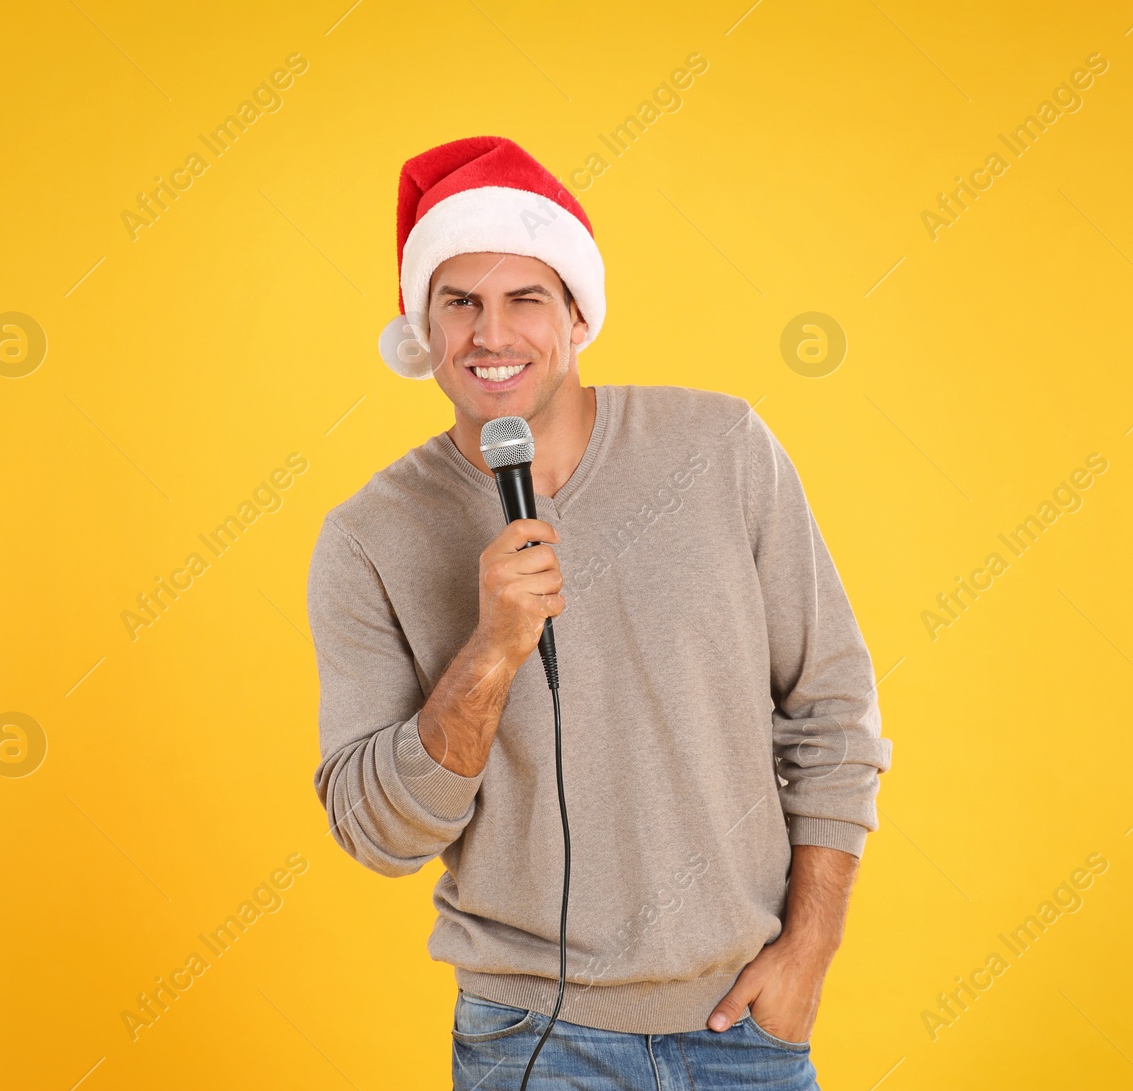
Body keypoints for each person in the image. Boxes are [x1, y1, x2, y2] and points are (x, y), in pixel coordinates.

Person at [308, 135, 891, 1089]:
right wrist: (492, 648)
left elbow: (832, 705)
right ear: (425, 329)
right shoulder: (370, 536)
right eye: (460, 303)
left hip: (746, 1025)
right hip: (529, 1042)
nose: (491, 335)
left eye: (524, 299)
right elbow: (377, 833)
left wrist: (809, 951)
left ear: (577, 316)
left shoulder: (722, 448)